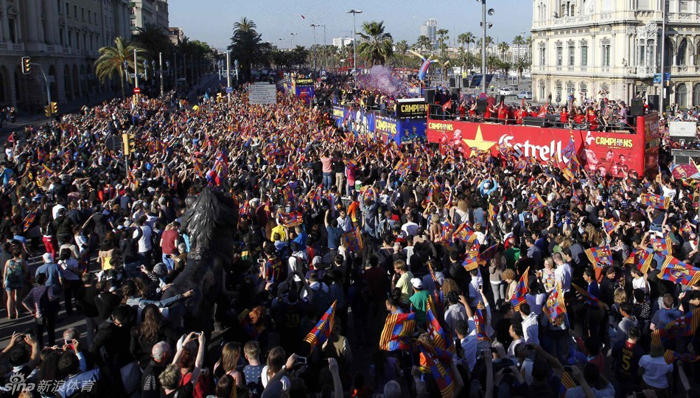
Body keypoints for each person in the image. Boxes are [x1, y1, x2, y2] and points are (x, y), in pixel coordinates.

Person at [22, 273, 60, 347]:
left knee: (39, 334)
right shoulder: (48, 288)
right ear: (45, 279)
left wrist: (31, 309)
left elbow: (24, 301)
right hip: (48, 313)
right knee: (51, 332)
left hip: (38, 314)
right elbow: (51, 297)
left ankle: (40, 349)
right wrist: (57, 297)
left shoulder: (34, 289)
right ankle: (52, 347)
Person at [3, 245, 27, 319]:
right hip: (18, 280)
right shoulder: (22, 262)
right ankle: (18, 312)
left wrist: (4, 281)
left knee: (9, 297)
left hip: (9, 280)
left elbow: (5, 272)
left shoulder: (8, 261)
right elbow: (26, 272)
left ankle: (10, 313)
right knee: (17, 296)